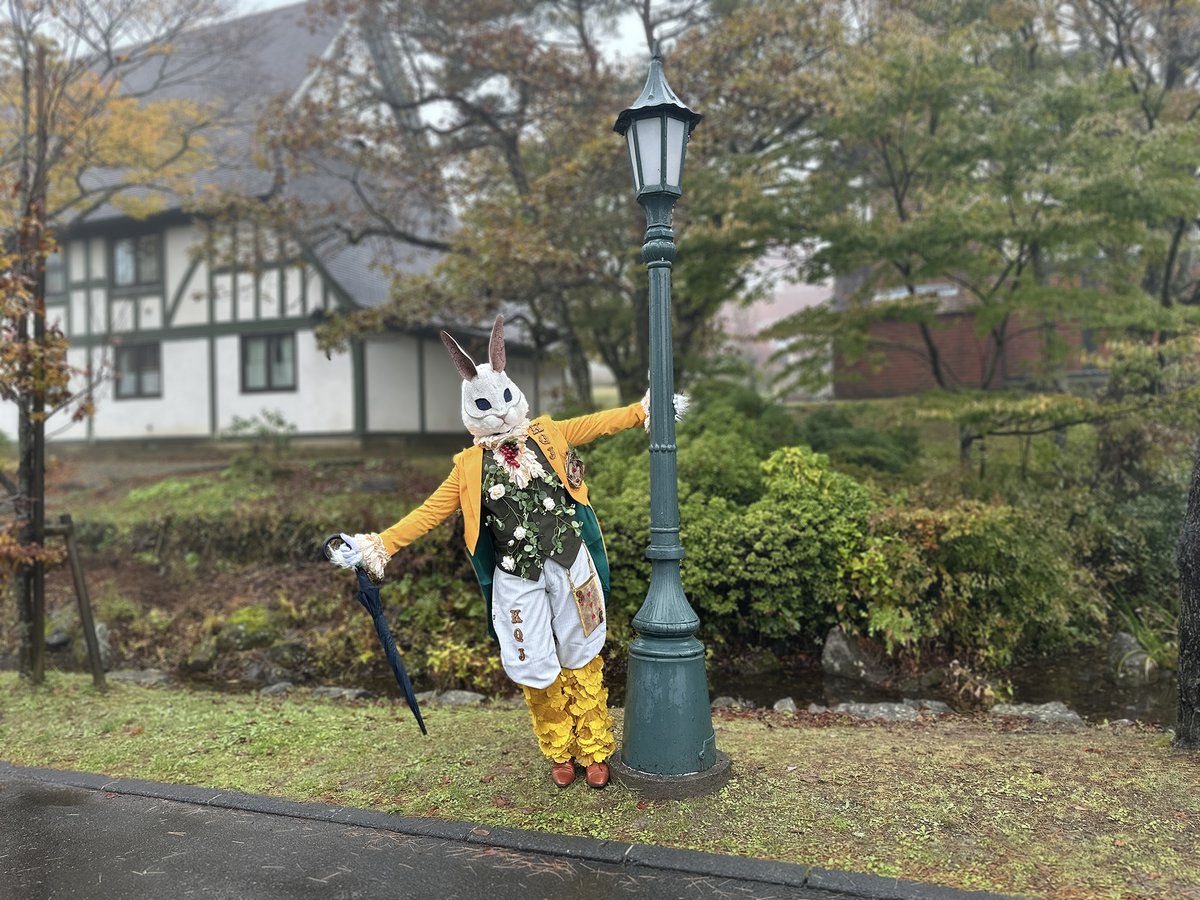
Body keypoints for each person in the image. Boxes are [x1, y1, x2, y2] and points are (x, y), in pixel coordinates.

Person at [330, 315, 665, 789]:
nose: (502, 411)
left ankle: (593, 747)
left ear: (515, 392)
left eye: (505, 398)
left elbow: (595, 423)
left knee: (583, 651)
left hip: (572, 564)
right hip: (516, 577)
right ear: (470, 406)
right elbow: (430, 511)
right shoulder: (468, 467)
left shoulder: (547, 434)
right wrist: (380, 544)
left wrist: (642, 412)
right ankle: (558, 747)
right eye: (487, 404)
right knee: (534, 663)